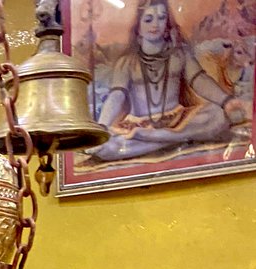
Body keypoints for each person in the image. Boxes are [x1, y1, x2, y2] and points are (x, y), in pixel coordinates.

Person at [91, 0, 248, 161]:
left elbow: (199, 80)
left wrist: (226, 100)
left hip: (177, 120)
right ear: (138, 25)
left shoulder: (179, 55)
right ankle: (170, 139)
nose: (155, 24)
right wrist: (101, 127)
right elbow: (116, 96)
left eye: (161, 18)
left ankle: (156, 138)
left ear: (167, 22)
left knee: (217, 115)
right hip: (138, 125)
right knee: (107, 147)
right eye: (148, 19)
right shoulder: (126, 62)